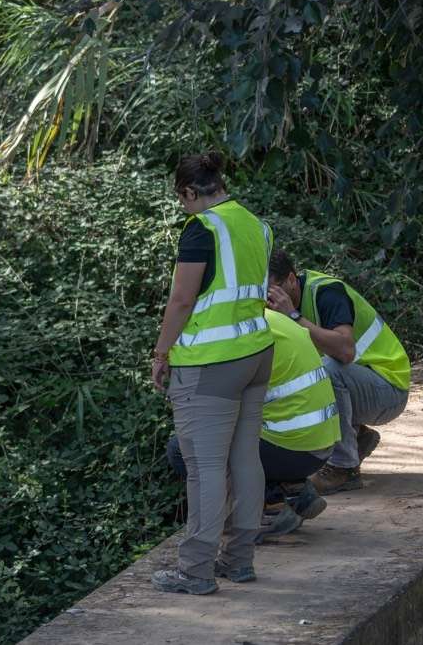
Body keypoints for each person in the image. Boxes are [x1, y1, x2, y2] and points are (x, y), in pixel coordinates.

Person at [149, 152, 274, 596]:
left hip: (211, 362)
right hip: (256, 352)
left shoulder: (201, 228)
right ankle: (239, 560)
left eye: (180, 199)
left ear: (189, 192)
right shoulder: (255, 224)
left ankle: (196, 570)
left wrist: (161, 352)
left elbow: (182, 299)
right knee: (245, 458)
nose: (182, 207)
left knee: (204, 469)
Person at [166, 309, 340, 544]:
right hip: (319, 445)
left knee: (182, 447)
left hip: (294, 448)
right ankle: (292, 488)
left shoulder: (235, 339)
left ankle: (269, 507)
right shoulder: (268, 318)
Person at [266, 250, 410, 494]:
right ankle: (357, 437)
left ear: (291, 279)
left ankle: (344, 468)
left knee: (328, 371)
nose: (268, 299)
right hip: (364, 386)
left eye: (272, 290)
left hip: (389, 389)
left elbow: (345, 351)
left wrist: (292, 316)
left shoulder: (326, 292)